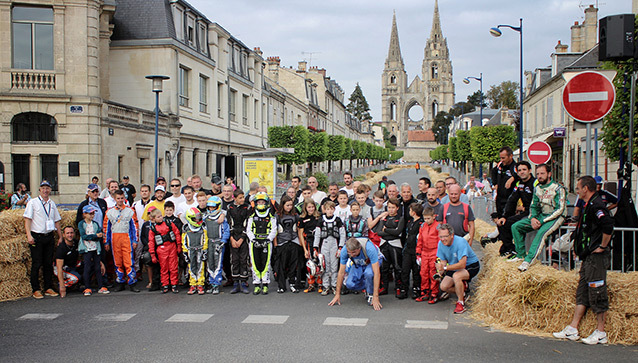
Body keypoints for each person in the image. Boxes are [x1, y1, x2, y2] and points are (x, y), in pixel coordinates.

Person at [553, 176, 614, 345]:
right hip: (587, 256)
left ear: (586, 189)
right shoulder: (588, 205)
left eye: (578, 188)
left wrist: (602, 246)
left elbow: (608, 225)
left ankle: (601, 332)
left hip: (596, 257)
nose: (577, 191)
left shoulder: (597, 206)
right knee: (582, 291)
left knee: (597, 292)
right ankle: (573, 327)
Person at [511, 164, 567, 272]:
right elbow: (534, 206)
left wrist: (542, 221)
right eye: (537, 174)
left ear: (549, 174)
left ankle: (528, 261)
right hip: (541, 216)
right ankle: (520, 255)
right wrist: (532, 218)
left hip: (555, 217)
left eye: (542, 173)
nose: (539, 176)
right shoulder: (537, 188)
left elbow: (560, 209)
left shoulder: (558, 189)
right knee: (516, 226)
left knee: (541, 233)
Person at [23, 180, 62, 299]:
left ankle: (48, 287)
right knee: (37, 263)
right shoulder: (33, 203)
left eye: (47, 188)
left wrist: (60, 236)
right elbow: (27, 220)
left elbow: (57, 221)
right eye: (43, 188)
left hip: (49, 236)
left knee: (48, 263)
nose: (45, 191)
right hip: (37, 236)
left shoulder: (52, 203)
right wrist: (29, 235)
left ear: (50, 190)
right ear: (39, 190)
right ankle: (36, 288)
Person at [434, 224, 480, 314]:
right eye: (441, 236)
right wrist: (440, 272)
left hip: (471, 265)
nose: (443, 239)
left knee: (456, 276)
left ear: (452, 235)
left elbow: (462, 264)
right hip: (454, 265)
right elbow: (443, 262)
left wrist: (445, 267)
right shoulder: (441, 244)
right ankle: (463, 291)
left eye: (445, 236)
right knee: (443, 287)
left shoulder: (460, 242)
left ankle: (461, 302)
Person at [328, 238, 383, 310]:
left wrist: (376, 297)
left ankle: (371, 293)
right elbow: (341, 272)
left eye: (353, 252)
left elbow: (377, 273)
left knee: (368, 273)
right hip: (358, 263)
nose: (351, 255)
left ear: (359, 248)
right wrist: (337, 294)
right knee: (349, 284)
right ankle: (368, 286)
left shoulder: (369, 248)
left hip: (373, 261)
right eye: (349, 252)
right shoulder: (344, 251)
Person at [495, 161, 535, 257]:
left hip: (534, 213)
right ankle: (510, 249)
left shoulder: (535, 183)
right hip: (525, 212)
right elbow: (511, 201)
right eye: (519, 170)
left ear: (530, 170)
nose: (522, 172)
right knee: (503, 224)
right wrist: (504, 216)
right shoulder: (519, 184)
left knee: (516, 225)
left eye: (524, 170)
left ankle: (519, 251)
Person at [104, 190, 140, 292]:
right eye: (118, 198)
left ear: (124, 198)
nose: (120, 200)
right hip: (115, 239)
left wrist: (135, 240)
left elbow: (135, 227)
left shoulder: (130, 211)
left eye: (122, 198)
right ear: (115, 199)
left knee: (129, 261)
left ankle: (132, 282)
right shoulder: (109, 212)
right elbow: (106, 228)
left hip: (126, 239)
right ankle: (120, 282)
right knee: (117, 261)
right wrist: (106, 242)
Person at [246, 192, 277, 295]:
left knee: (266, 263)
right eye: (259, 201)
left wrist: (268, 239)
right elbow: (248, 229)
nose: (260, 203)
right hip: (254, 242)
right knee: (255, 263)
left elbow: (274, 229)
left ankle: (265, 284)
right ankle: (256, 284)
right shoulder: (252, 215)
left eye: (262, 201)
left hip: (266, 243)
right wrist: (253, 240)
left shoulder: (271, 215)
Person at [313, 201, 346, 296]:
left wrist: (340, 247)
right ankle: (325, 286)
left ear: (334, 209)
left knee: (334, 266)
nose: (330, 211)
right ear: (325, 210)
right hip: (324, 244)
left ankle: (334, 286)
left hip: (334, 244)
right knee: (325, 266)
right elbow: (318, 234)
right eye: (328, 209)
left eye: (331, 209)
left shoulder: (338, 220)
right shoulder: (321, 220)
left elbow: (342, 234)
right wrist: (315, 248)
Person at [148, 208, 182, 294]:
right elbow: (151, 242)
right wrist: (152, 254)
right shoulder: (153, 228)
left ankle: (174, 284)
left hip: (171, 247)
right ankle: (165, 284)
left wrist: (178, 246)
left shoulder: (169, 223)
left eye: (160, 216)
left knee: (173, 267)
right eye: (158, 217)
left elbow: (177, 233)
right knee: (164, 268)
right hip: (161, 250)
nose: (160, 218)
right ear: (153, 219)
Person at [78, 205, 109, 296]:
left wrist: (97, 236)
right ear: (84, 214)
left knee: (97, 267)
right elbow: (84, 236)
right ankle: (87, 287)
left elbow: (99, 233)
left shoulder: (95, 224)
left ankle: (100, 286)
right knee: (87, 268)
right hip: (87, 249)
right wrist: (95, 236)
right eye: (90, 214)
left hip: (96, 248)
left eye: (93, 213)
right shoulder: (82, 224)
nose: (92, 215)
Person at [378, 197, 404, 297]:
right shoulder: (384, 218)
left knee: (397, 266)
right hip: (384, 243)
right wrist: (390, 231)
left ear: (397, 208)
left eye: (393, 207)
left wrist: (386, 230)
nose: (391, 209)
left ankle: (398, 287)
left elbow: (398, 232)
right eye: (389, 207)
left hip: (395, 244)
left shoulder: (400, 218)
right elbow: (379, 232)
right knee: (384, 267)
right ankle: (384, 287)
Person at [226, 189, 251, 294]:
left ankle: (244, 282)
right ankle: (236, 283)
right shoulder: (230, 208)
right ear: (234, 198)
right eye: (240, 198)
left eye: (243, 197)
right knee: (234, 260)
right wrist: (232, 238)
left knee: (243, 259)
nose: (242, 199)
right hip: (233, 236)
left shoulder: (247, 207)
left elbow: (248, 223)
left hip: (243, 237)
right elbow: (229, 224)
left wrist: (242, 238)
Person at [203, 196, 229, 294]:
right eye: (210, 207)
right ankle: (211, 282)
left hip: (218, 242)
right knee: (210, 263)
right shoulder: (205, 218)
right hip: (209, 242)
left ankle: (216, 283)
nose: (211, 209)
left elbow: (226, 230)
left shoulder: (222, 218)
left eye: (213, 207)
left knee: (218, 264)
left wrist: (223, 241)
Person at [275, 196, 301, 293]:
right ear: (283, 205)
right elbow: (275, 231)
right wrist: (276, 244)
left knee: (293, 264)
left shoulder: (295, 215)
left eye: (291, 205)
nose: (289, 207)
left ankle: (292, 283)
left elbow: (299, 230)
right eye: (287, 205)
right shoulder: (277, 216)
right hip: (282, 242)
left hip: (293, 241)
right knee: (281, 265)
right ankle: (281, 286)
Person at [399, 203, 423, 299]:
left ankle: (416, 288)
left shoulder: (421, 223)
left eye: (410, 211)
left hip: (416, 249)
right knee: (405, 269)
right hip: (408, 249)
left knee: (416, 270)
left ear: (413, 212)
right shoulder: (409, 222)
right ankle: (404, 288)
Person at [416, 207, 440, 302]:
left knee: (433, 273)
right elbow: (420, 240)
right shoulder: (422, 226)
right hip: (424, 252)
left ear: (434, 217)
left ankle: (434, 293)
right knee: (423, 273)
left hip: (434, 252)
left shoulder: (438, 226)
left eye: (428, 218)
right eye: (425, 218)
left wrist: (439, 255)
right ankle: (424, 292)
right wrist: (418, 253)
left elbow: (439, 241)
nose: (426, 220)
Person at [182, 207, 208, 295]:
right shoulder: (186, 229)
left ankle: (200, 284)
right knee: (191, 268)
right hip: (190, 250)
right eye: (195, 219)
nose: (197, 220)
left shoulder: (203, 227)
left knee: (200, 267)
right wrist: (185, 252)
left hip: (200, 249)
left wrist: (205, 250)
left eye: (198, 218)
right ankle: (192, 284)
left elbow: (205, 239)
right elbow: (184, 241)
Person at [299, 198, 322, 293]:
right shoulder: (302, 218)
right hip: (308, 242)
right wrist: (304, 250)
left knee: (320, 263)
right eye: (309, 207)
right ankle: (311, 284)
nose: (311, 209)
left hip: (318, 242)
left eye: (312, 207)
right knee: (310, 263)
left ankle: (320, 283)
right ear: (305, 208)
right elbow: (300, 234)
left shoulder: (319, 216)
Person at [492, 146, 518, 221]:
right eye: (500, 158)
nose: (501, 160)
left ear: (510, 156)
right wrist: (495, 184)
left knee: (507, 221)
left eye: (503, 158)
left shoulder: (515, 166)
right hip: (499, 198)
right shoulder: (500, 165)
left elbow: (519, 175)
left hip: (509, 199)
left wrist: (512, 178)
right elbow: (493, 172)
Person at [53, 226, 81, 297]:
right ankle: (61, 285)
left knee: (89, 266)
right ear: (64, 235)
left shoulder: (76, 243)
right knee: (76, 278)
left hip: (72, 266)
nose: (70, 235)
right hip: (61, 268)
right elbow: (59, 267)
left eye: (71, 233)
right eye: (67, 233)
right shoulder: (61, 248)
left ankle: (79, 285)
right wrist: (62, 285)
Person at [163, 201, 185, 285]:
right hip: (166, 246)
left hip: (176, 244)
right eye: (167, 210)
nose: (169, 212)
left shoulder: (177, 220)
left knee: (182, 261)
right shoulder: (163, 220)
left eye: (170, 210)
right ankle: (167, 280)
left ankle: (179, 278)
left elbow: (179, 232)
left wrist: (178, 244)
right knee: (167, 264)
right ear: (164, 210)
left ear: (173, 210)